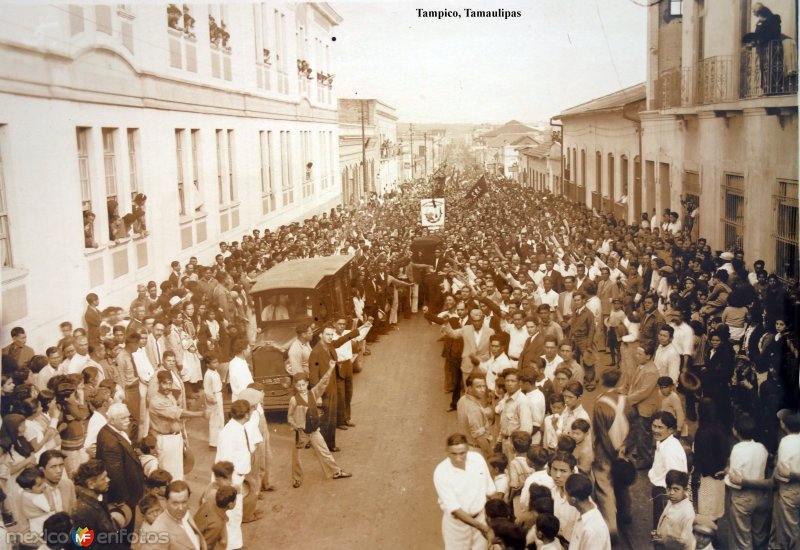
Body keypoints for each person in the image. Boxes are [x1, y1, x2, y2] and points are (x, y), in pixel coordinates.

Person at [432, 433, 496, 550]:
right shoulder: (441, 472)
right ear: (447, 451)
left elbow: (490, 491)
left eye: (462, 453)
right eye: (453, 453)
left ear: (468, 449)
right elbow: (455, 509)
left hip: (481, 518)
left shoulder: (477, 460)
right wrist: (484, 529)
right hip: (457, 527)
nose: (458, 458)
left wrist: (494, 522)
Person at [724, 413, 771, 550]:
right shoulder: (762, 447)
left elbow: (735, 479)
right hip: (761, 496)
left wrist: (727, 471)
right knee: (759, 536)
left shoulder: (737, 449)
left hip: (742, 497)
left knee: (742, 539)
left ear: (735, 431)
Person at [95, 403, 146, 515]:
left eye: (128, 417)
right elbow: (115, 474)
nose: (127, 420)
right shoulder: (111, 442)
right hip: (124, 497)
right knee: (124, 525)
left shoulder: (113, 431)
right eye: (123, 418)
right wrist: (122, 499)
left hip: (128, 491)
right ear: (112, 420)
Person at [648, 411, 688, 530]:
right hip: (660, 490)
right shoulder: (663, 441)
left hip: (665, 494)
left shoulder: (670, 451)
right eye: (654, 426)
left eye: (660, 427)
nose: (655, 430)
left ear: (670, 430)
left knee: (662, 529)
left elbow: (675, 479)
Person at [70, 459, 121, 550]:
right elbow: (83, 545)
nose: (108, 480)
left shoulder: (99, 499)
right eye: (103, 478)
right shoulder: (82, 511)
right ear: (91, 484)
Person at [140, 481, 206, 550]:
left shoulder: (186, 513)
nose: (181, 508)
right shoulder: (158, 531)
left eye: (184, 502)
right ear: (166, 501)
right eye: (175, 503)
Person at [770, 409, 800, 550]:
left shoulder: (785, 442)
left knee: (790, 528)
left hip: (789, 490)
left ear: (784, 425)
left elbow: (782, 472)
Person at [564, 473, 611, 550]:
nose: (565, 497)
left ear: (573, 500)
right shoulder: (584, 513)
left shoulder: (593, 530)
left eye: (566, 494)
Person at [652, 469, 695, 550]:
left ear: (685, 490)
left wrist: (664, 541)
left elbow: (686, 543)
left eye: (676, 489)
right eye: (669, 489)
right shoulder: (672, 500)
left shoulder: (688, 514)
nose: (671, 493)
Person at [456, 374, 493, 457]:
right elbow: (479, 437)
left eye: (484, 386)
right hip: (476, 450)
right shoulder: (474, 409)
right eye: (478, 387)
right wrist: (491, 455)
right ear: (469, 388)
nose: (482, 390)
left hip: (465, 445)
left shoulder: (462, 400)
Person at [194, 485, 236, 550]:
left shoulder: (208, 503)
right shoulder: (217, 524)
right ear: (230, 505)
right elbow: (207, 546)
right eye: (235, 500)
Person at [202, 356, 224, 448]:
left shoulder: (214, 372)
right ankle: (213, 443)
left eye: (217, 362)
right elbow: (207, 390)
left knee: (220, 419)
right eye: (214, 362)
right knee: (214, 420)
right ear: (207, 364)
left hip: (218, 395)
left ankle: (220, 441)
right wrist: (212, 400)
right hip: (214, 397)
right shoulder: (208, 375)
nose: (216, 364)